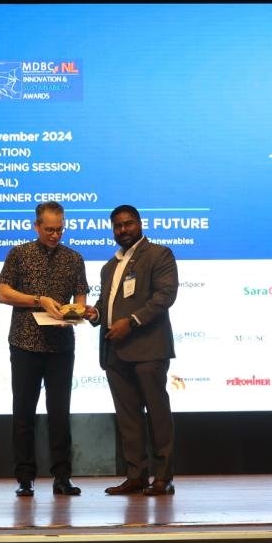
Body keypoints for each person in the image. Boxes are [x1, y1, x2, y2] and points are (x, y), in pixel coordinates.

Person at [84, 204, 179, 495]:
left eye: (128, 224)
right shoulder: (109, 267)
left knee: (157, 414)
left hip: (148, 348)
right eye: (117, 226)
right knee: (128, 418)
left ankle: (162, 477)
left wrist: (132, 321)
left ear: (139, 223)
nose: (123, 230)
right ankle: (136, 475)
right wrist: (94, 313)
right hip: (115, 352)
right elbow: (107, 305)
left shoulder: (159, 254)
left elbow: (165, 296)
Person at [0, 201, 89, 497]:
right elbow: (3, 293)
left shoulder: (74, 258)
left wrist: (73, 314)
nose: (55, 234)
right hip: (25, 343)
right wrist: (39, 300)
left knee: (60, 413)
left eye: (60, 229)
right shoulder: (19, 254)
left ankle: (62, 477)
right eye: (49, 229)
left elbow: (81, 298)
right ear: (36, 226)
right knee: (23, 412)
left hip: (61, 345)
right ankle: (25, 478)